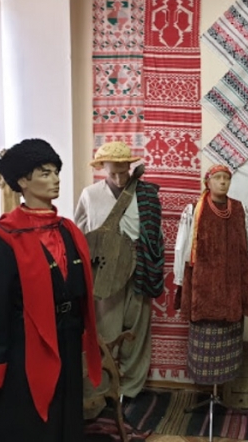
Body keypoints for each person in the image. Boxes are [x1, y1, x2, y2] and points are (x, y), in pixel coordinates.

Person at [0, 138, 101, 441]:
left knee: (66, 413)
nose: (56, 179)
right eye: (45, 173)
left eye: (56, 171)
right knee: (27, 421)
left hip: (68, 339)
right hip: (24, 349)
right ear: (22, 181)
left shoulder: (69, 231)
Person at [74, 141, 164, 410]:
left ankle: (130, 389)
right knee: (105, 330)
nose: (118, 178)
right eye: (112, 172)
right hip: (105, 269)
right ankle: (102, 388)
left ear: (129, 167)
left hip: (140, 266)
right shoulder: (90, 194)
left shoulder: (146, 194)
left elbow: (155, 233)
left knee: (136, 329)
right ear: (102, 167)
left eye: (123, 172)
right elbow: (80, 234)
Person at [173, 164, 248, 385]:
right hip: (203, 288)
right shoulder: (194, 210)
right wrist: (180, 279)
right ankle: (207, 387)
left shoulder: (239, 209)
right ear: (208, 182)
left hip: (232, 287)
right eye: (218, 177)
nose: (222, 182)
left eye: (226, 178)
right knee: (204, 340)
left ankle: (221, 388)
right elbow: (182, 247)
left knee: (229, 339)